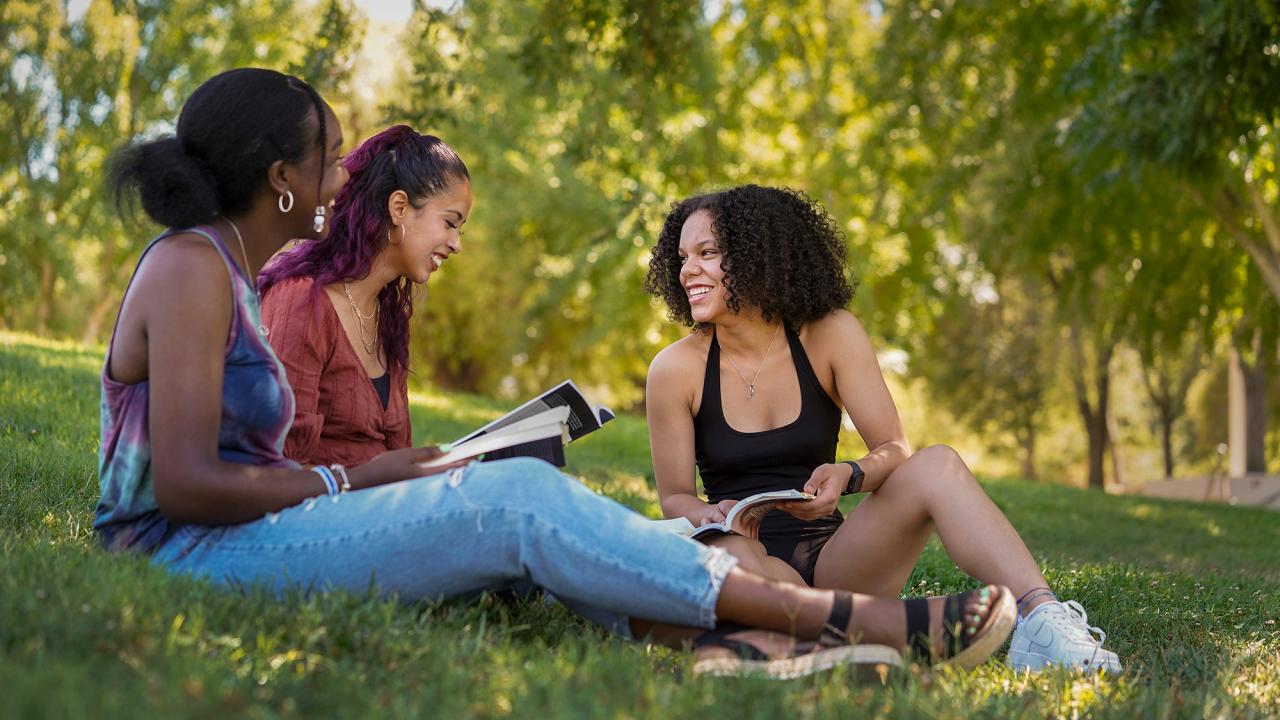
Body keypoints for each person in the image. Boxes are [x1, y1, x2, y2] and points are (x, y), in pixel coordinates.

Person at [95, 67, 1014, 680]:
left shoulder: (228, 272)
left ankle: (749, 643)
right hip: (189, 560)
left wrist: (395, 468)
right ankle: (862, 623)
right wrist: (351, 478)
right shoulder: (188, 266)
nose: (343, 179)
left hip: (245, 539)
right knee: (521, 504)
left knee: (526, 510)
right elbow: (180, 485)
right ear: (280, 176)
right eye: (329, 158)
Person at [643, 184, 1122, 674]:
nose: (688, 271)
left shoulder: (830, 333)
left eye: (707, 253)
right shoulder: (674, 370)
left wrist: (850, 474)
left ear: (757, 256)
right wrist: (713, 514)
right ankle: (821, 644)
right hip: (751, 560)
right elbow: (676, 498)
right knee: (732, 556)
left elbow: (894, 448)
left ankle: (1042, 621)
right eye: (682, 257)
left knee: (938, 464)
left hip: (838, 563)